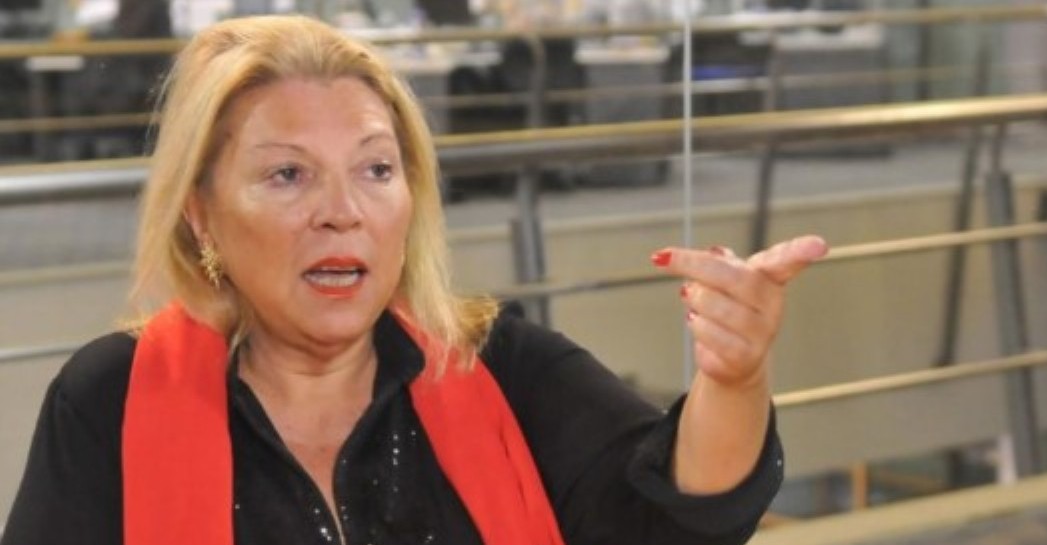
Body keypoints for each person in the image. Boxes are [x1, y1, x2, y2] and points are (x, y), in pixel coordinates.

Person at [0, 15, 828, 545]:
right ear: (202, 215)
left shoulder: (503, 365)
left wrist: (735, 377)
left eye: (375, 169)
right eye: (288, 174)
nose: (343, 212)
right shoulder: (109, 400)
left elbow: (679, 518)